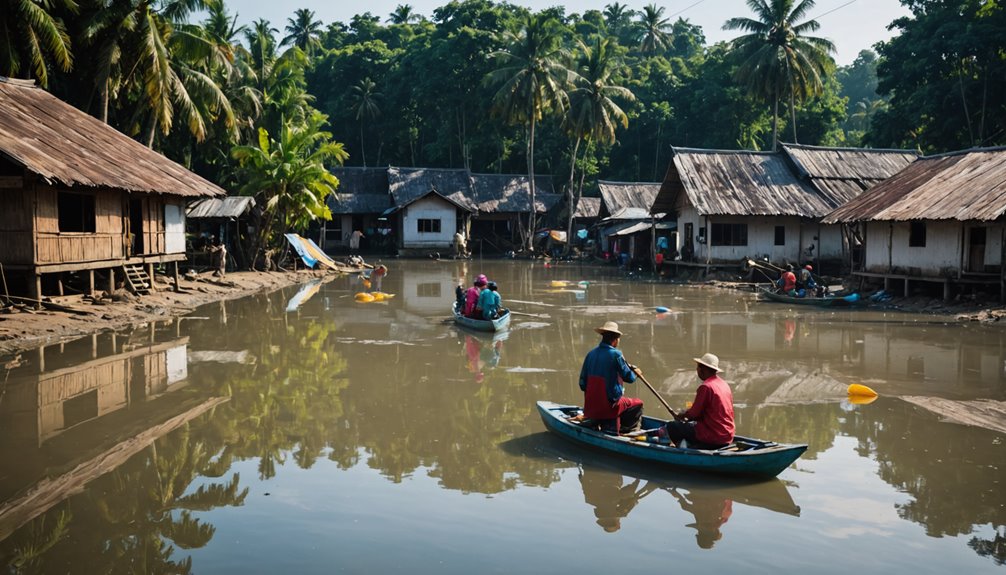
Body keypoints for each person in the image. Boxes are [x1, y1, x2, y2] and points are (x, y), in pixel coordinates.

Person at [579, 321, 644, 434]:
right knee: (638, 403)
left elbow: (582, 384)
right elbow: (629, 378)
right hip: (610, 405)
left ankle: (597, 420)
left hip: (591, 405)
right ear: (616, 340)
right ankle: (627, 430)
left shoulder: (590, 354)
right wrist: (636, 373)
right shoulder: (616, 355)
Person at [660, 353, 734, 449]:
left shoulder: (706, 387)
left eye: (698, 367)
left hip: (714, 435)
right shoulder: (724, 384)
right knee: (688, 426)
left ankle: (689, 448)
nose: (697, 370)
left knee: (672, 426)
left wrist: (682, 415)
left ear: (702, 369)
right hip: (727, 435)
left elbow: (694, 414)